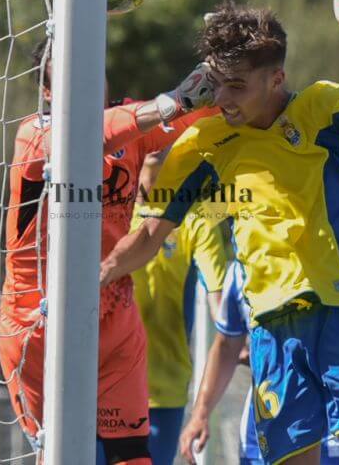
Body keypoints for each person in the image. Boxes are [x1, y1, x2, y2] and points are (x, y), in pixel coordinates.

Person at [100, 0, 339, 465]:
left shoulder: (317, 107)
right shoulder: (203, 140)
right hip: (269, 326)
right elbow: (152, 233)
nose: (222, 97)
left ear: (275, 78)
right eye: (218, 82)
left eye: (237, 86)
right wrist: (100, 274)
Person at [0, 37, 219, 464]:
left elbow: (199, 110)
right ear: (47, 91)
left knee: (134, 457)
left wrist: (224, 67)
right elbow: (87, 138)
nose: (84, 80)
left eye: (91, 69)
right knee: (65, 456)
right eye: (67, 73)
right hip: (38, 321)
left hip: (114, 316)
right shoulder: (34, 138)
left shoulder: (130, 131)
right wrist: (172, 102)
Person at [179, 263, 339, 465]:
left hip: (332, 418)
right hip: (266, 411)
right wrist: (201, 412)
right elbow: (226, 346)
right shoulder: (240, 271)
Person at [128, 151, 232, 465]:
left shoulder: (196, 219)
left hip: (163, 388)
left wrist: (237, 335)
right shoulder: (111, 214)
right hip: (102, 383)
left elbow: (221, 307)